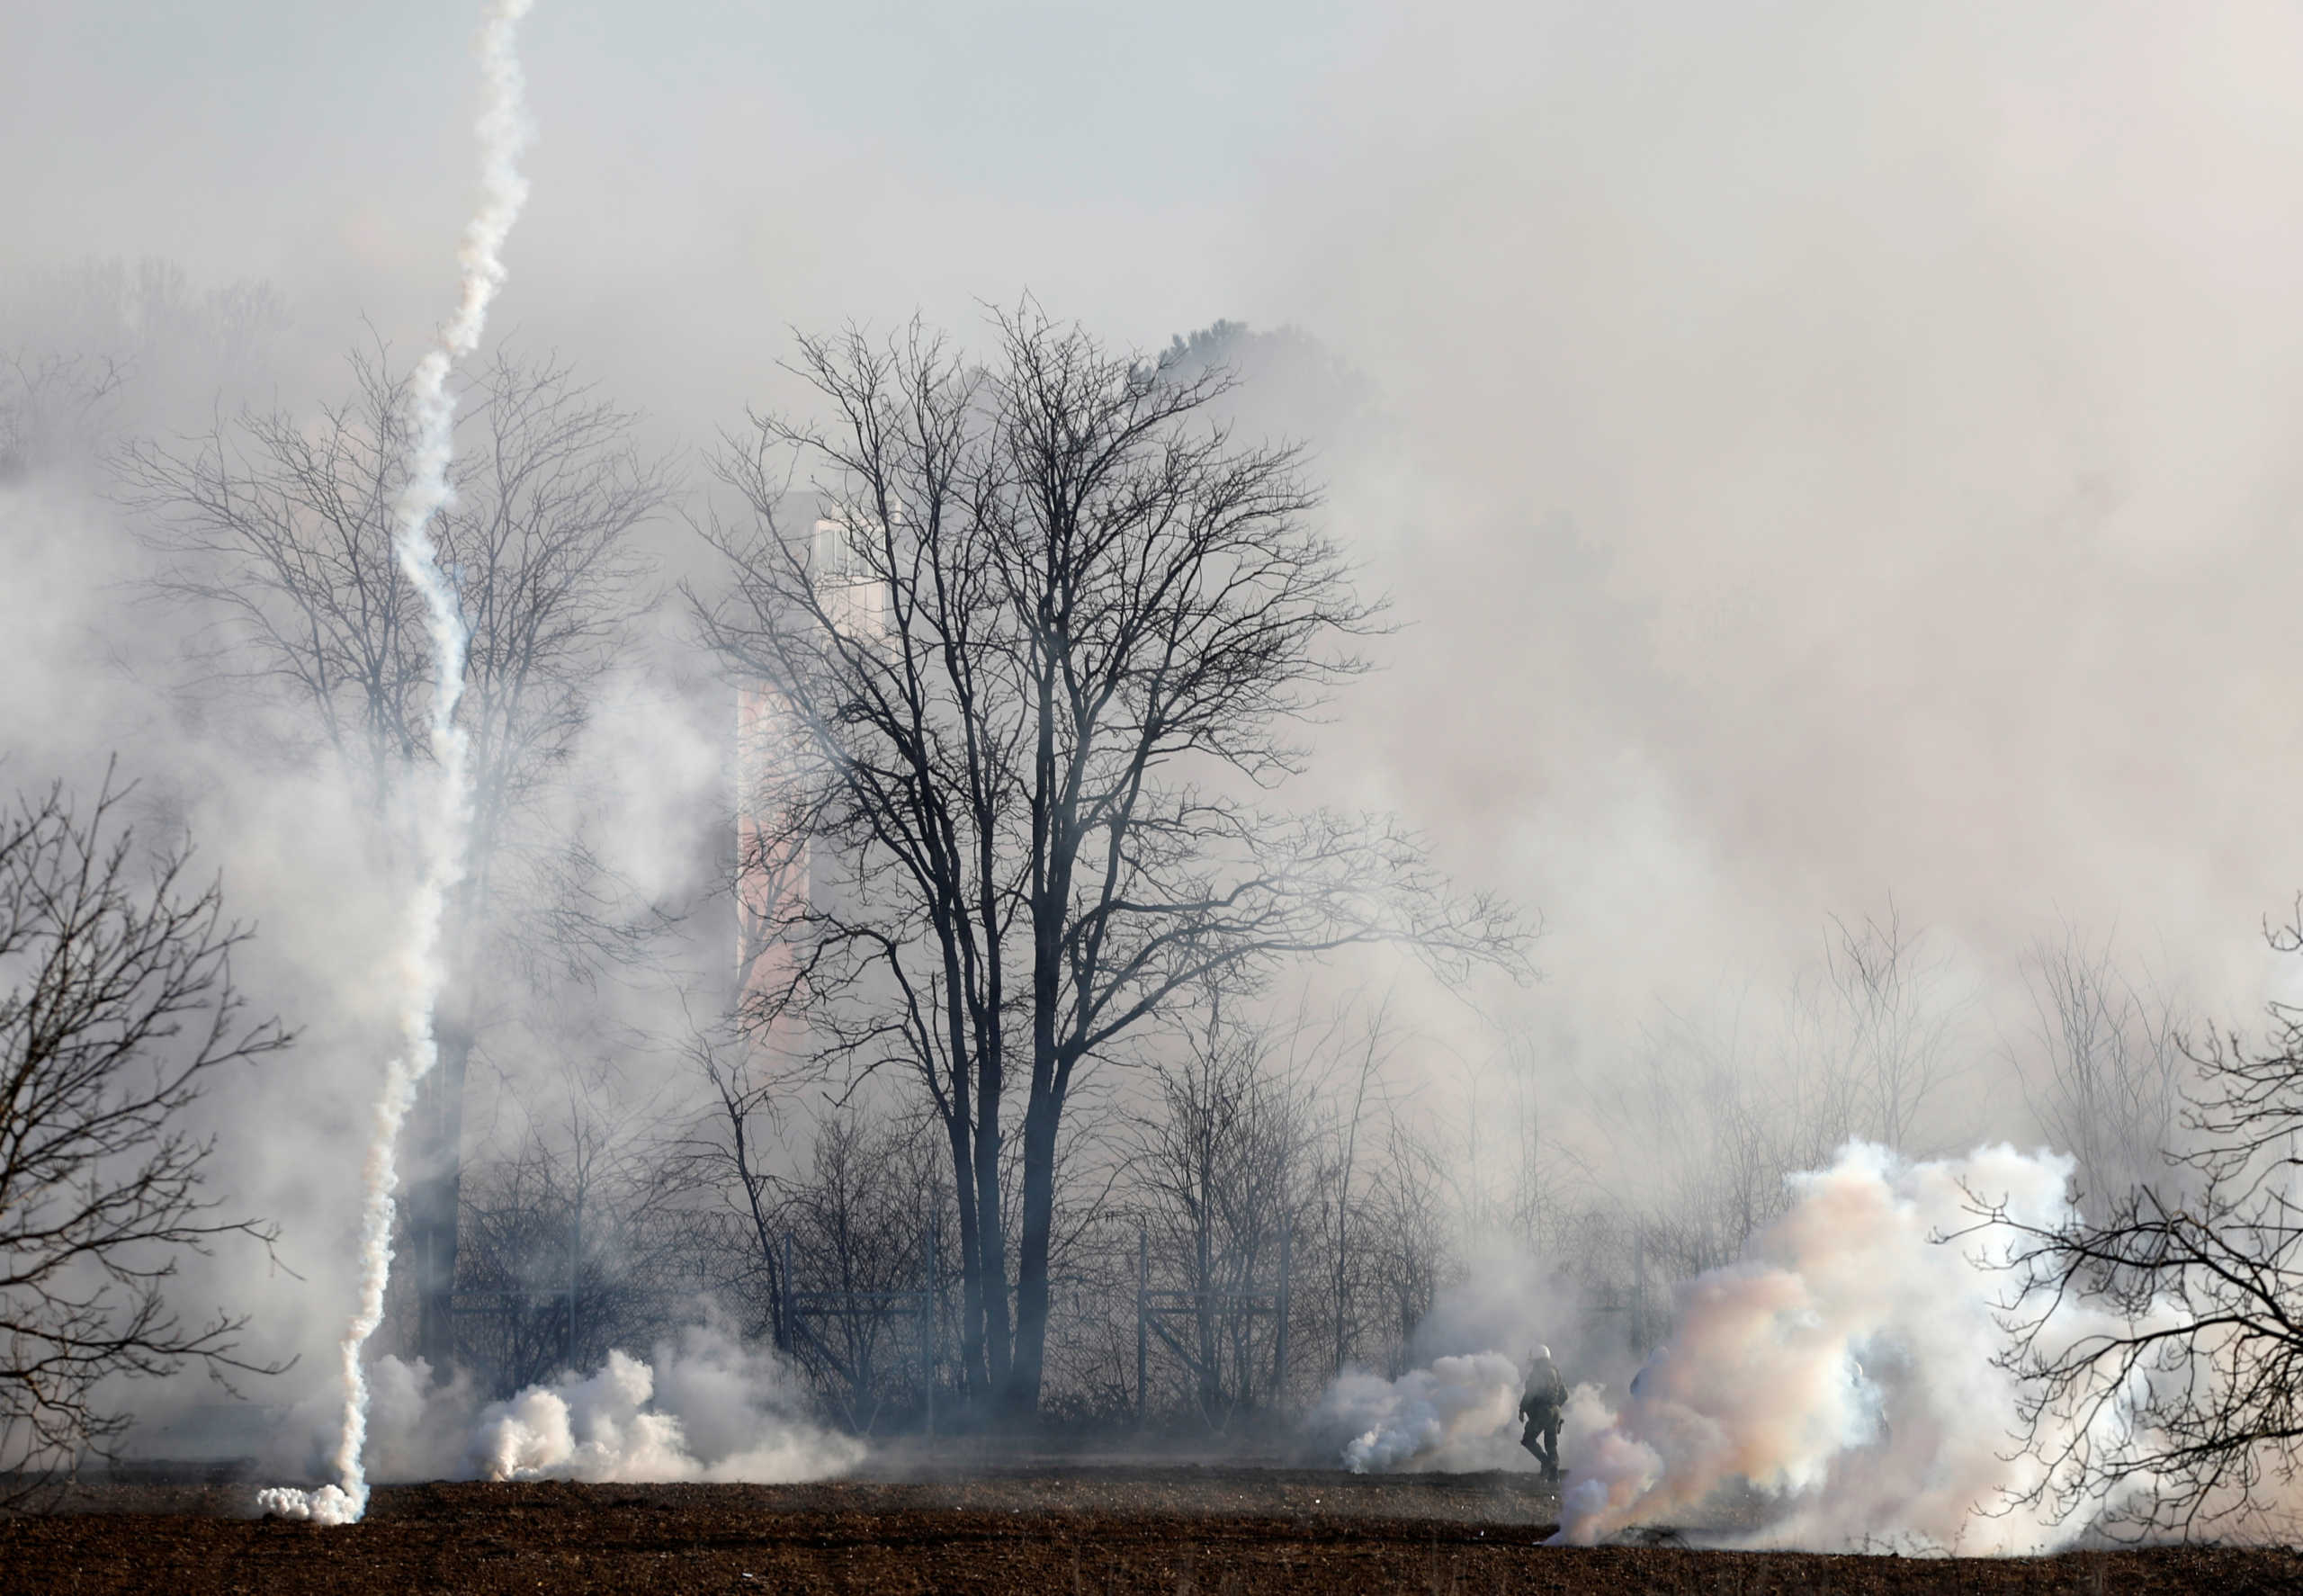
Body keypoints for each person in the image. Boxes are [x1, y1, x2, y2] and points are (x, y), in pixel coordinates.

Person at [1519, 1343, 1567, 1483]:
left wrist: (1522, 1409)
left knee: (1528, 1440)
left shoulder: (1537, 1373)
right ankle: (1554, 1477)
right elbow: (1565, 1394)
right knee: (1551, 1445)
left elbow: (1530, 1393)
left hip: (1542, 1412)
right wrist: (1554, 1407)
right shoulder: (1555, 1371)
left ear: (1537, 1358)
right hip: (1555, 1412)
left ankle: (1546, 1463)